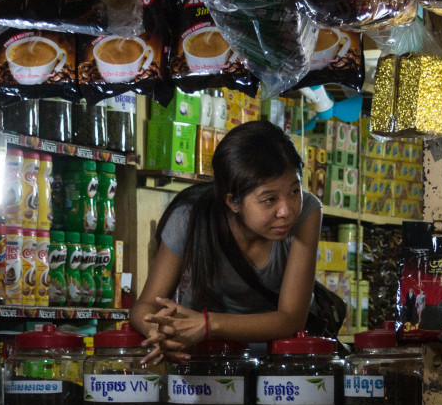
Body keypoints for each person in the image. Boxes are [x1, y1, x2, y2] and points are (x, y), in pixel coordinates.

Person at [134, 120, 321, 363]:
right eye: (270, 199)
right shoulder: (189, 218)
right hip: (209, 358)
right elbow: (145, 306)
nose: (286, 211)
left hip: (282, 361)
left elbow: (290, 319)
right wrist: (158, 332)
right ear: (233, 202)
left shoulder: (308, 212)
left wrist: (208, 324)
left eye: (294, 191)